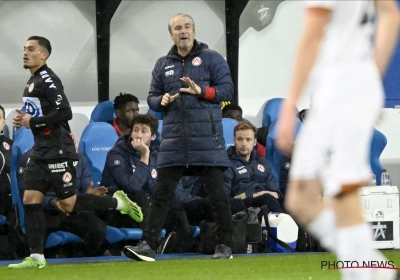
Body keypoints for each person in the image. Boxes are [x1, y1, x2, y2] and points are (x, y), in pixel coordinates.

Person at [276, 2, 400, 280]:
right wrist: (372, 78)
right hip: (333, 92)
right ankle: (375, 270)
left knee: (344, 194)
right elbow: (390, 15)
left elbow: (311, 36)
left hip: (342, 93)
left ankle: (363, 272)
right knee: (301, 198)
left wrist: (288, 106)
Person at [9, 36, 143, 269]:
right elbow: (38, 115)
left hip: (58, 150)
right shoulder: (32, 81)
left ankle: (118, 203)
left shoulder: (49, 79)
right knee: (30, 198)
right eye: (24, 49)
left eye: (31, 49)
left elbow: (65, 112)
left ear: (44, 55)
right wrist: (25, 119)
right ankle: (37, 257)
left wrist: (35, 121)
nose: (25, 52)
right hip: (41, 150)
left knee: (69, 204)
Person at [123, 13, 234, 261]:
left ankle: (225, 245)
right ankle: (148, 245)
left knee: (218, 197)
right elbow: (151, 97)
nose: (182, 31)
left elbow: (228, 90)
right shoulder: (162, 64)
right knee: (161, 195)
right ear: (171, 34)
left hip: (206, 141)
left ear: (194, 31)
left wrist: (202, 91)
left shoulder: (212, 58)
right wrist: (160, 101)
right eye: (177, 28)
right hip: (174, 142)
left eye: (186, 27)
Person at [18, 150, 109, 257]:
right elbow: (28, 196)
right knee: (36, 237)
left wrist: (87, 196)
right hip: (44, 213)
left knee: (99, 229)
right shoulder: (30, 159)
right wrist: (52, 203)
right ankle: (37, 263)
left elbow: (84, 189)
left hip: (71, 211)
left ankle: (79, 259)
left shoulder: (78, 158)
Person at [224, 122, 284, 213]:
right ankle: (285, 224)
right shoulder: (226, 164)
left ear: (255, 142)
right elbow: (225, 198)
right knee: (266, 198)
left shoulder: (263, 162)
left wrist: (274, 194)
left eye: (248, 140)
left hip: (267, 202)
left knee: (291, 202)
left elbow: (276, 191)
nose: (244, 144)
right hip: (242, 206)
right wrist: (254, 195)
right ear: (234, 140)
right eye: (240, 139)